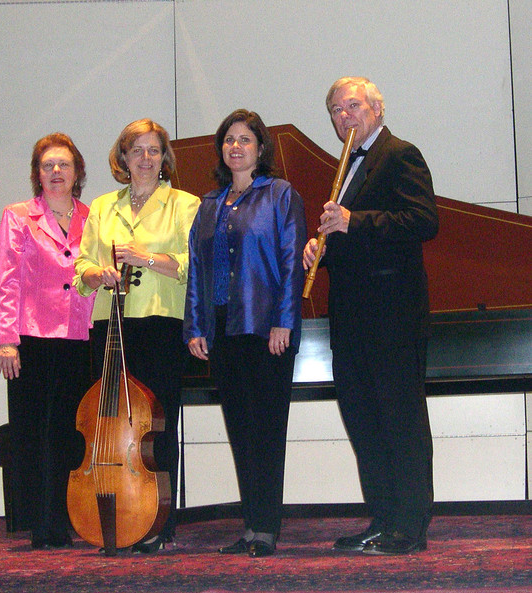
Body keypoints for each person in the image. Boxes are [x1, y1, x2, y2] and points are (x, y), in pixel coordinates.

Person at [303, 77, 439, 555]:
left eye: (353, 105)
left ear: (377, 108)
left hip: (393, 318)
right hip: (353, 319)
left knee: (399, 421)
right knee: (365, 422)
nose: (345, 116)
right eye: (336, 110)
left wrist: (351, 221)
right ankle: (382, 519)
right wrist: (322, 248)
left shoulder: (401, 154)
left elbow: (424, 221)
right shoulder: (345, 169)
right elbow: (354, 242)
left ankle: (411, 526)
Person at [184, 109, 306, 558]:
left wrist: (284, 320)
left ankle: (266, 527)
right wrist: (196, 325)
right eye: (229, 140)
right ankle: (250, 524)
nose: (235, 147)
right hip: (224, 332)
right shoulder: (210, 204)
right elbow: (197, 269)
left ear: (260, 148)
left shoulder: (279, 194)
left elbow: (293, 262)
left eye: (245, 139)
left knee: (267, 429)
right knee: (239, 429)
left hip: (265, 329)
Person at [74, 119, 200, 553]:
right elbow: (81, 269)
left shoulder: (185, 204)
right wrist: (99, 273)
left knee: (156, 427)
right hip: (111, 324)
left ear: (164, 158)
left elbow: (193, 264)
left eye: (153, 150)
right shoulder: (103, 206)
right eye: (137, 151)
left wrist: (146, 257)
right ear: (122, 158)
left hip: (161, 323)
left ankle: (160, 524)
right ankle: (114, 514)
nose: (145, 159)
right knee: (110, 424)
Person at [0, 133, 95, 549]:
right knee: (33, 432)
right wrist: (7, 340)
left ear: (77, 172)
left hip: (79, 336)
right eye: (48, 165)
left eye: (64, 165)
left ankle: (67, 517)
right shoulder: (18, 217)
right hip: (31, 338)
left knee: (71, 430)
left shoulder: (93, 216)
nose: (57, 172)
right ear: (37, 173)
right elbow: (6, 281)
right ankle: (41, 521)